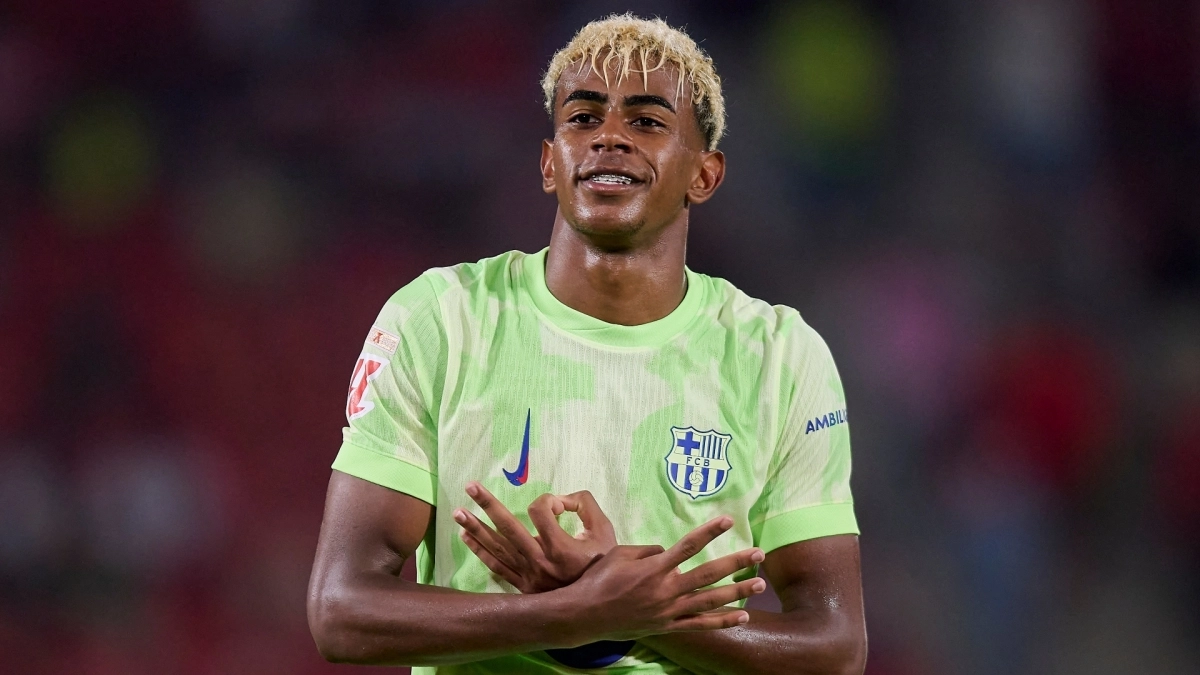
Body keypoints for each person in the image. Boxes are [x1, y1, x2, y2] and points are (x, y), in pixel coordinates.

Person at [307, 14, 866, 674]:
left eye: (647, 121)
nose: (609, 137)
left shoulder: (779, 356)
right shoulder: (441, 320)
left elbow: (834, 648)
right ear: (551, 163)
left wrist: (617, 607)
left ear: (705, 175)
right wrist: (576, 613)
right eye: (583, 117)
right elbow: (341, 612)